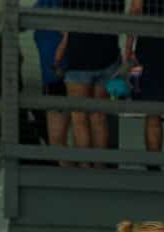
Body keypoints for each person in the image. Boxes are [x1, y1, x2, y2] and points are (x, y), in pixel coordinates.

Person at [56, 0, 123, 164]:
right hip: (107, 54)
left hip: (79, 55)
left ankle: (85, 168)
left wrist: (59, 55)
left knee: (79, 117)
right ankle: (99, 169)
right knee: (99, 116)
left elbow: (65, 23)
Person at [125, 0, 164, 166]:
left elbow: (136, 9)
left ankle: (153, 166)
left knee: (152, 113)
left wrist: (129, 47)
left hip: (150, 48)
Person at [33, 0, 70, 159]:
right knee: (56, 143)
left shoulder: (60, 5)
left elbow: (69, 32)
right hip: (52, 79)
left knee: (57, 143)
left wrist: (57, 62)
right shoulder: (42, 4)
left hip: (61, 77)